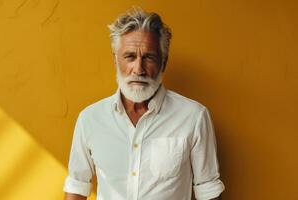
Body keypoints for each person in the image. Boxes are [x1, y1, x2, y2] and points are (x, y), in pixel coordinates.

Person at [63, 7, 225, 200]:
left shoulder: (194, 117)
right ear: (116, 60)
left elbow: (208, 191)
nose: (138, 69)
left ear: (163, 62)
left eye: (149, 57)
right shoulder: (90, 119)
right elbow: (77, 187)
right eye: (129, 56)